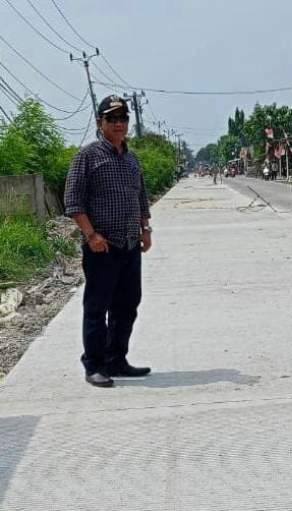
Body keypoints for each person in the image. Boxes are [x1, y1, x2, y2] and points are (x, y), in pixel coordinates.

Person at [64, 95, 153, 388]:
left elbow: (140, 197)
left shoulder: (131, 158)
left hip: (129, 244)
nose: (118, 124)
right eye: (112, 119)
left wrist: (145, 229)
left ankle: (117, 359)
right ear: (100, 122)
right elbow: (73, 201)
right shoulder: (87, 157)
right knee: (97, 307)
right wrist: (91, 235)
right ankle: (95, 365)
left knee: (127, 305)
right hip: (102, 247)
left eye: (123, 119)